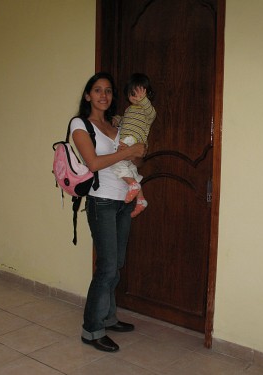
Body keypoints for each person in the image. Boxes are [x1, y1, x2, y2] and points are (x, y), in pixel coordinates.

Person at [70, 72, 146, 352]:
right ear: (88, 95)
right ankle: (91, 329)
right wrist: (129, 153)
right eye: (98, 90)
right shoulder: (80, 124)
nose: (104, 95)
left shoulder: (116, 124)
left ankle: (108, 317)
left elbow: (136, 156)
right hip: (101, 201)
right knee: (106, 267)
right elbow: (92, 163)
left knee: (117, 264)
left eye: (109, 91)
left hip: (124, 200)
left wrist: (138, 151)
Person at [111, 73, 156, 218]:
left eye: (140, 94)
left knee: (115, 162)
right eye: (132, 94)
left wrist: (144, 101)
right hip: (129, 141)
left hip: (133, 141)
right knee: (131, 170)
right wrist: (117, 120)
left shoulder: (147, 111)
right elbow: (125, 121)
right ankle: (141, 199)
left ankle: (132, 185)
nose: (136, 98)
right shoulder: (129, 110)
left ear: (147, 95)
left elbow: (152, 113)